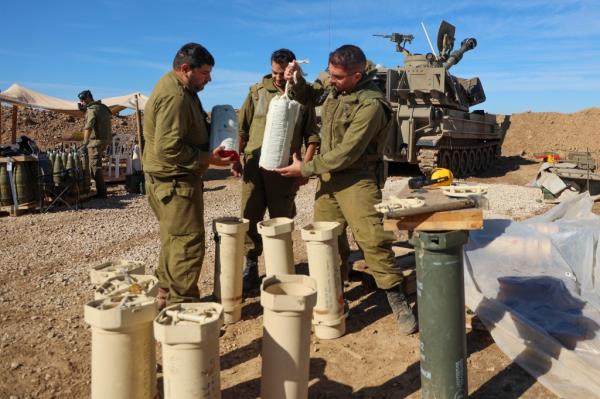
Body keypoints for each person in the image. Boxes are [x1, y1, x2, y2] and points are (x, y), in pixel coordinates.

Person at [277, 45, 417, 335]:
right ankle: (334, 297)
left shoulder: (372, 105)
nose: (331, 81)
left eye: (338, 77)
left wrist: (304, 168)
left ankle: (397, 299)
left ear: (357, 75)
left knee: (372, 240)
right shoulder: (335, 90)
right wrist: (297, 79)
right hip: (329, 179)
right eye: (330, 74)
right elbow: (311, 96)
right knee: (327, 240)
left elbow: (347, 153)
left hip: (357, 178)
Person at [143, 42, 234, 309]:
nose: (209, 79)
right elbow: (169, 148)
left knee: (174, 240)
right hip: (176, 184)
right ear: (186, 69)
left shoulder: (179, 87)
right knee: (187, 245)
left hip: (168, 182)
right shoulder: (176, 97)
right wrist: (209, 159)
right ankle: (182, 310)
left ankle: (165, 296)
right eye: (205, 73)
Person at [231, 48, 320, 292]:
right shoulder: (256, 93)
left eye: (283, 73)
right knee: (250, 217)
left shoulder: (302, 97)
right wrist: (235, 158)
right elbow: (242, 129)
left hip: (285, 170)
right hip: (254, 168)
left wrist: (305, 169)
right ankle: (251, 265)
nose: (279, 78)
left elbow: (312, 136)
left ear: (292, 69)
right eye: (274, 73)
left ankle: (280, 267)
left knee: (281, 218)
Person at [78, 90, 112, 198]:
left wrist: (84, 143)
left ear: (88, 98)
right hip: (104, 140)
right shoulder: (102, 107)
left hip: (95, 142)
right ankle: (101, 190)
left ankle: (102, 193)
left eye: (83, 99)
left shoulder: (92, 109)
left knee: (94, 167)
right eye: (81, 100)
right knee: (96, 165)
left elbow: (88, 126)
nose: (82, 102)